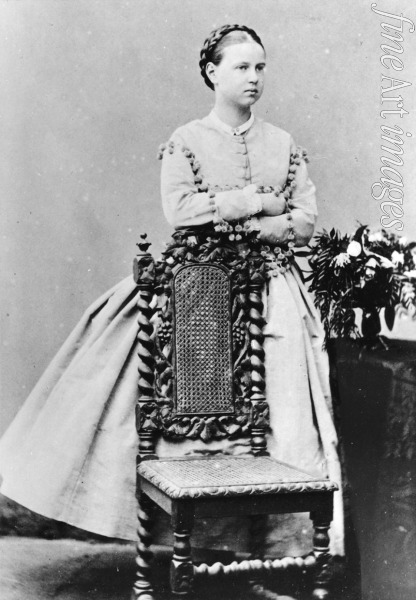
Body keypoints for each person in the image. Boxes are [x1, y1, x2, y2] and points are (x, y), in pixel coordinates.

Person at [0, 24, 343, 557]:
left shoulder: (283, 144)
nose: (254, 77)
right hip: (200, 290)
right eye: (241, 67)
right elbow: (181, 211)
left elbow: (304, 224)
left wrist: (238, 219)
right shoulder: (187, 140)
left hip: (273, 291)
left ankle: (280, 549)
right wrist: (259, 201)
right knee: (168, 406)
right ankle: (200, 539)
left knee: (287, 414)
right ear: (212, 72)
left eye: (260, 67)